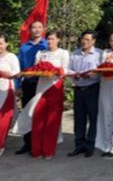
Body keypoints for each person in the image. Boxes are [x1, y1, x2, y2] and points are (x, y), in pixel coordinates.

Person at [12, 30, 69, 159]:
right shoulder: (41, 53)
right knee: (38, 119)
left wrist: (54, 70)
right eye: (48, 39)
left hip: (54, 87)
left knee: (51, 121)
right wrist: (25, 73)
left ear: (58, 40)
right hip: (41, 88)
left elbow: (64, 70)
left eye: (53, 39)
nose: (50, 41)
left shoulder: (63, 53)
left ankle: (48, 151)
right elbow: (35, 69)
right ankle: (37, 149)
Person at [67, 29, 102, 158]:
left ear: (93, 41)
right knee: (79, 118)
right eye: (83, 39)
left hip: (93, 88)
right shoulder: (75, 53)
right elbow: (69, 68)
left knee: (93, 118)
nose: (84, 41)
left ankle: (90, 145)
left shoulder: (99, 54)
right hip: (78, 88)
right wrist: (73, 75)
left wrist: (93, 75)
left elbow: (102, 71)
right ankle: (79, 145)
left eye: (88, 39)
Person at [15, 20, 47, 155]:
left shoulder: (47, 45)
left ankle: (42, 143)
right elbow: (19, 68)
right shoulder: (24, 48)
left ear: (43, 29)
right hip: (28, 83)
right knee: (27, 113)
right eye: (34, 27)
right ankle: (28, 143)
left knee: (41, 114)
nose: (37, 30)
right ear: (30, 30)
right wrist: (18, 85)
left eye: (39, 27)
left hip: (43, 83)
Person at [0, 33, 20, 156]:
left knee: (4, 119)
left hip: (6, 89)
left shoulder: (11, 57)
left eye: (1, 43)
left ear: (6, 44)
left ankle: (1, 144)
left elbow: (17, 72)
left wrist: (7, 73)